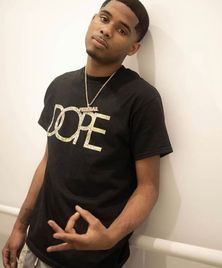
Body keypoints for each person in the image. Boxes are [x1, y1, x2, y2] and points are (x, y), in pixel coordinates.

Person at [2, 0, 173, 267]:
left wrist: (110, 237)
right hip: (36, 247)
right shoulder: (59, 87)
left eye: (122, 30)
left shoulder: (141, 99)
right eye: (104, 19)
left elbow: (148, 187)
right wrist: (20, 225)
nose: (106, 30)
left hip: (93, 259)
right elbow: (48, 161)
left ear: (133, 48)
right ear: (93, 20)